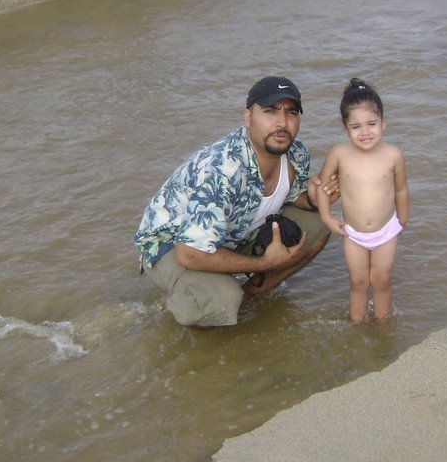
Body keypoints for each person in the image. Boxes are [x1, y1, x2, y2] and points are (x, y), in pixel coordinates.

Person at [134, 76, 337, 327]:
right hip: (171, 244)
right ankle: (181, 304)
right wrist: (265, 263)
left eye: (291, 113)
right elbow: (189, 253)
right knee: (220, 302)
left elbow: (293, 196)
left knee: (320, 226)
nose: (282, 123)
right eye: (270, 111)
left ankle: (247, 295)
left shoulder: (296, 152)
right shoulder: (223, 170)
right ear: (248, 117)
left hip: (233, 233)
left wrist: (315, 200)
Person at [313, 79, 409, 323]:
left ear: (384, 123)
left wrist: (403, 217)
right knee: (358, 282)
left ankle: (383, 324)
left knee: (382, 280)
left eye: (372, 124)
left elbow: (400, 189)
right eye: (356, 126)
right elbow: (322, 188)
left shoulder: (393, 155)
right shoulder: (339, 153)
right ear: (346, 128)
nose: (365, 132)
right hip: (353, 233)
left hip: (386, 231)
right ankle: (356, 325)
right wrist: (327, 218)